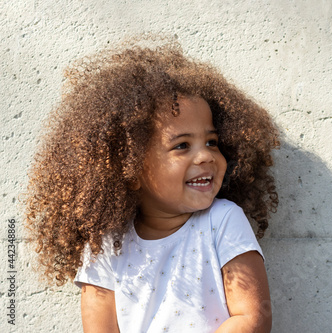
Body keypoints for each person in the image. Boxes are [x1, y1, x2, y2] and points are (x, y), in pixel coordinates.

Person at [24, 36, 279, 332]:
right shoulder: (105, 246)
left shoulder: (222, 222)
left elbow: (252, 319)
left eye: (211, 141)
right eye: (182, 146)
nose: (205, 156)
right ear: (130, 168)